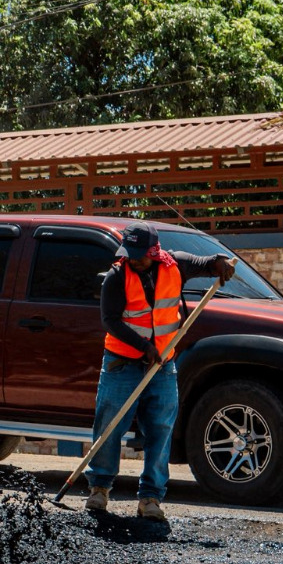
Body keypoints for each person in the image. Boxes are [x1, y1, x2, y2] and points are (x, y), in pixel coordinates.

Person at [86, 222, 234, 522]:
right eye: (129, 253)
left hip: (164, 364)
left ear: (154, 252)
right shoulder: (117, 276)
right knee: (110, 426)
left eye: (139, 254)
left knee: (161, 430)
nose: (133, 259)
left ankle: (150, 497)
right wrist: (144, 346)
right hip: (122, 362)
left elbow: (206, 264)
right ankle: (99, 489)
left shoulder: (174, 264)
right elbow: (110, 321)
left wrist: (220, 264)